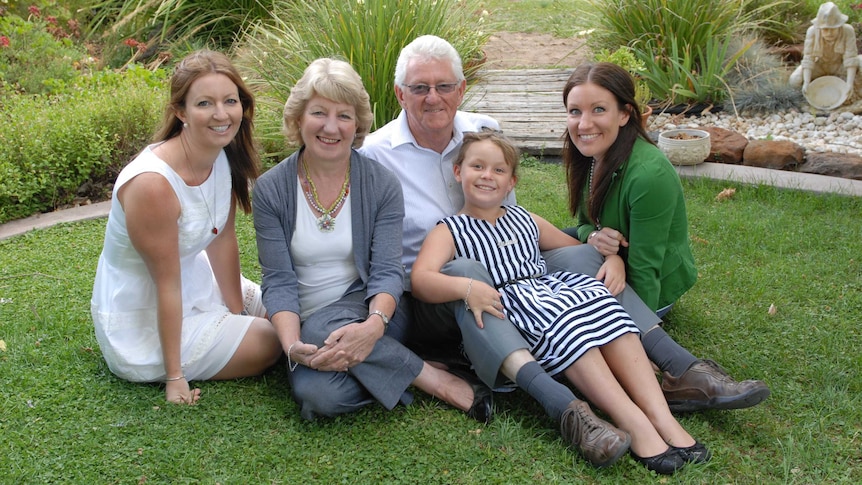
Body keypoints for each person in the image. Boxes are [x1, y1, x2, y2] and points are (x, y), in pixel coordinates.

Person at [361, 35, 765, 428]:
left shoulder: (483, 129)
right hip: (441, 293)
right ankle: (557, 392)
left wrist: (604, 254)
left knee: (583, 255)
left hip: (511, 266)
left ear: (462, 88)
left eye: (444, 85)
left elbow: (516, 217)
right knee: (467, 269)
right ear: (400, 94)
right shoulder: (375, 157)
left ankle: (682, 370)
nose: (433, 97)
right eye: (419, 87)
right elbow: (386, 258)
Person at [413, 131, 710, 474]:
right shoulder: (450, 230)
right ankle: (634, 422)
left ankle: (662, 417)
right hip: (520, 308)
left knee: (605, 306)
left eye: (498, 170)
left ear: (511, 182)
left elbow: (576, 248)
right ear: (458, 172)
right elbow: (421, 279)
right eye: (477, 166)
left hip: (553, 290)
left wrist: (611, 260)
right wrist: (466, 288)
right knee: (568, 323)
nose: (486, 176)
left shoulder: (524, 219)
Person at [252, 58, 491, 423]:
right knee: (318, 398)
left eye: (344, 116)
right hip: (307, 321)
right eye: (319, 112)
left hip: (373, 308)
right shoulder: (272, 189)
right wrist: (291, 345)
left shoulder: (380, 183)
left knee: (321, 330)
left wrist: (373, 327)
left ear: (358, 124)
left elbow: (386, 272)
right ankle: (418, 369)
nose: (331, 127)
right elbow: (279, 281)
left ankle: (417, 372)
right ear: (299, 118)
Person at [560, 61, 772, 408]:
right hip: (610, 263)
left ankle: (681, 371)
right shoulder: (589, 155)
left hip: (649, 286)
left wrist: (637, 339)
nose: (584, 124)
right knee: (540, 241)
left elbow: (646, 267)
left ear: (625, 114)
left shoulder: (648, 174)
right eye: (575, 111)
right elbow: (585, 223)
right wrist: (597, 242)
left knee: (567, 275)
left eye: (599, 109)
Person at [91, 49, 282, 405]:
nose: (221, 114)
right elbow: (167, 282)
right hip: (144, 314)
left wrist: (236, 310)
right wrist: (175, 376)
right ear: (181, 112)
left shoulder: (221, 153)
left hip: (195, 280)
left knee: (286, 309)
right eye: (205, 104)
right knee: (269, 340)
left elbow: (222, 239)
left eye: (230, 101)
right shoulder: (152, 184)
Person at [789, 2, 861, 100]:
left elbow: (851, 58)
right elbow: (808, 58)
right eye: (825, 29)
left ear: (839, 26)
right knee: (794, 80)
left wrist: (849, 84)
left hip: (840, 66)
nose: (829, 33)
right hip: (820, 67)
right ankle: (805, 97)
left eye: (833, 29)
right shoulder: (812, 31)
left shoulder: (848, 30)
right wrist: (806, 83)